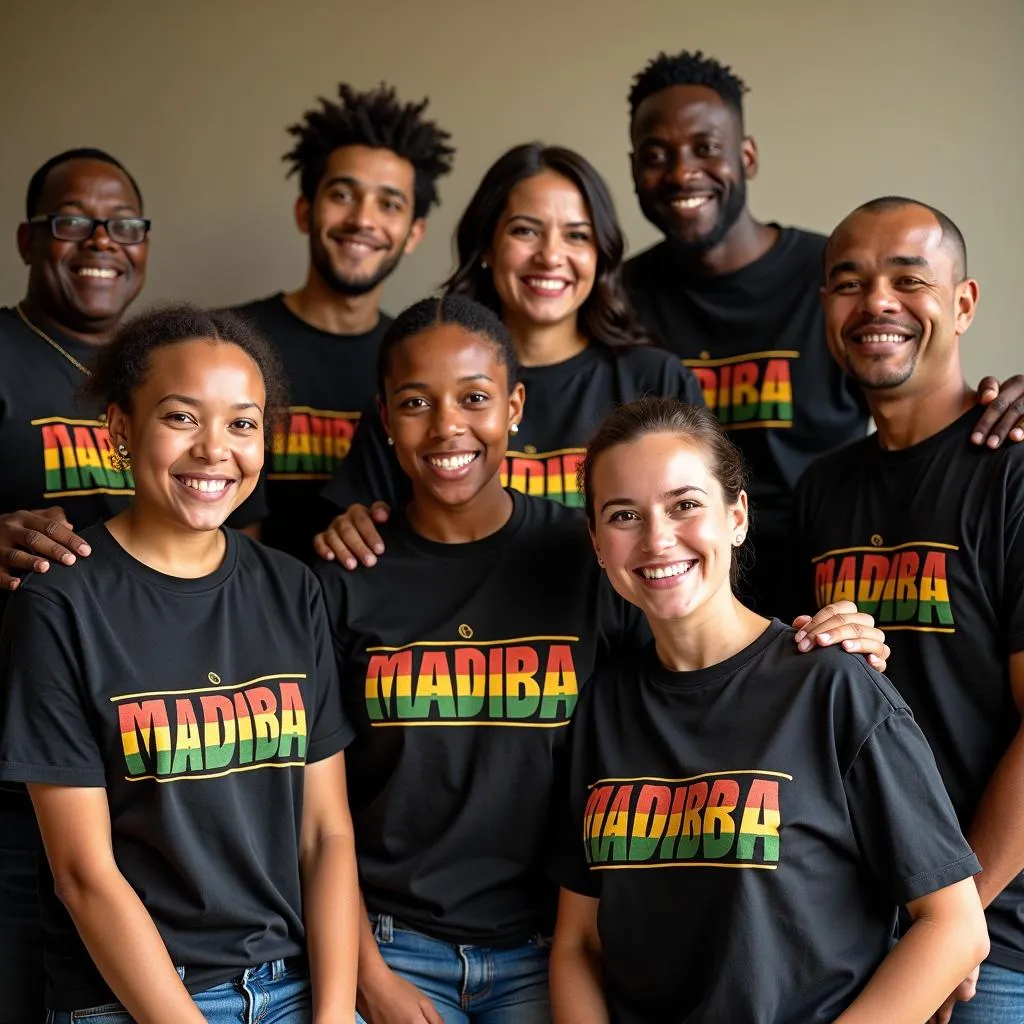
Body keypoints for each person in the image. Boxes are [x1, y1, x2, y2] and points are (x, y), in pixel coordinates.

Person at [313, 296, 883, 1024]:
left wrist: (816, 638)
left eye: (476, 398)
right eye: (416, 403)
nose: (448, 425)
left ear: (515, 406)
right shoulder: (345, 572)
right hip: (395, 944)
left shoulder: (587, 557)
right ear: (385, 418)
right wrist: (370, 977)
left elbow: (699, 674)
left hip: (556, 938)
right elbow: (318, 814)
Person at [550, 395, 989, 1023]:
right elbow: (579, 942)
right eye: (624, 515)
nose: (657, 537)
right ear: (596, 542)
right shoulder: (603, 706)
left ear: (738, 516)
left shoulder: (832, 685)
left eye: (685, 505)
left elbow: (953, 925)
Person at [0, 304, 359, 1023]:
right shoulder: (60, 604)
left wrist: (333, 1015)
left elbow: (326, 834)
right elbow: (83, 874)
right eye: (181, 417)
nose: (214, 449)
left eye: (242, 422)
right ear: (120, 430)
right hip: (129, 997)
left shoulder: (294, 590)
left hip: (293, 986)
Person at [621, 49, 1024, 617]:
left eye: (706, 148)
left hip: (831, 573)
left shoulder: (832, 272)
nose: (683, 171)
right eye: (658, 155)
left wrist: (1007, 402)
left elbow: (913, 375)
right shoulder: (618, 299)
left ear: (747, 156)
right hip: (677, 589)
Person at [794, 197, 1024, 1021]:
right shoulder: (822, 489)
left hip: (994, 942)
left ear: (962, 304)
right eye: (848, 283)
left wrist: (956, 925)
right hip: (854, 931)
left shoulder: (1013, 473)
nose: (876, 303)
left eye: (908, 279)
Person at [315, 143, 703, 569]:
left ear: (601, 254)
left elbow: (698, 530)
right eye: (525, 231)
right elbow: (357, 524)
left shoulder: (654, 381)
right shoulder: (417, 380)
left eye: (577, 235)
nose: (551, 256)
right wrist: (349, 525)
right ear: (486, 246)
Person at [231, 83, 455, 562]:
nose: (362, 220)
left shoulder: (418, 359)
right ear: (304, 210)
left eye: (389, 204)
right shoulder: (227, 344)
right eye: (342, 194)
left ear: (413, 233)